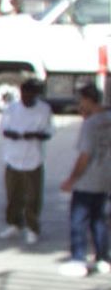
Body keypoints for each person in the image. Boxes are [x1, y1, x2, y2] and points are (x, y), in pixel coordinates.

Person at [57, 81, 111, 276]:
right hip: (105, 177)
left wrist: (72, 179)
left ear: (88, 100)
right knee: (99, 219)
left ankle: (78, 259)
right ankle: (103, 257)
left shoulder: (90, 124)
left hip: (89, 179)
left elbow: (84, 156)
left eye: (81, 101)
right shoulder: (107, 118)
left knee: (79, 219)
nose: (80, 105)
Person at [0, 77, 55, 243]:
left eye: (30, 94)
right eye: (24, 94)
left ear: (35, 94)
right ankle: (14, 224)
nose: (26, 97)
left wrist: (36, 135)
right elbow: (3, 128)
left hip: (33, 158)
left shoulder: (44, 109)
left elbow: (49, 131)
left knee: (32, 196)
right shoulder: (11, 108)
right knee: (13, 194)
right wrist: (13, 134)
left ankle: (32, 227)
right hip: (13, 157)